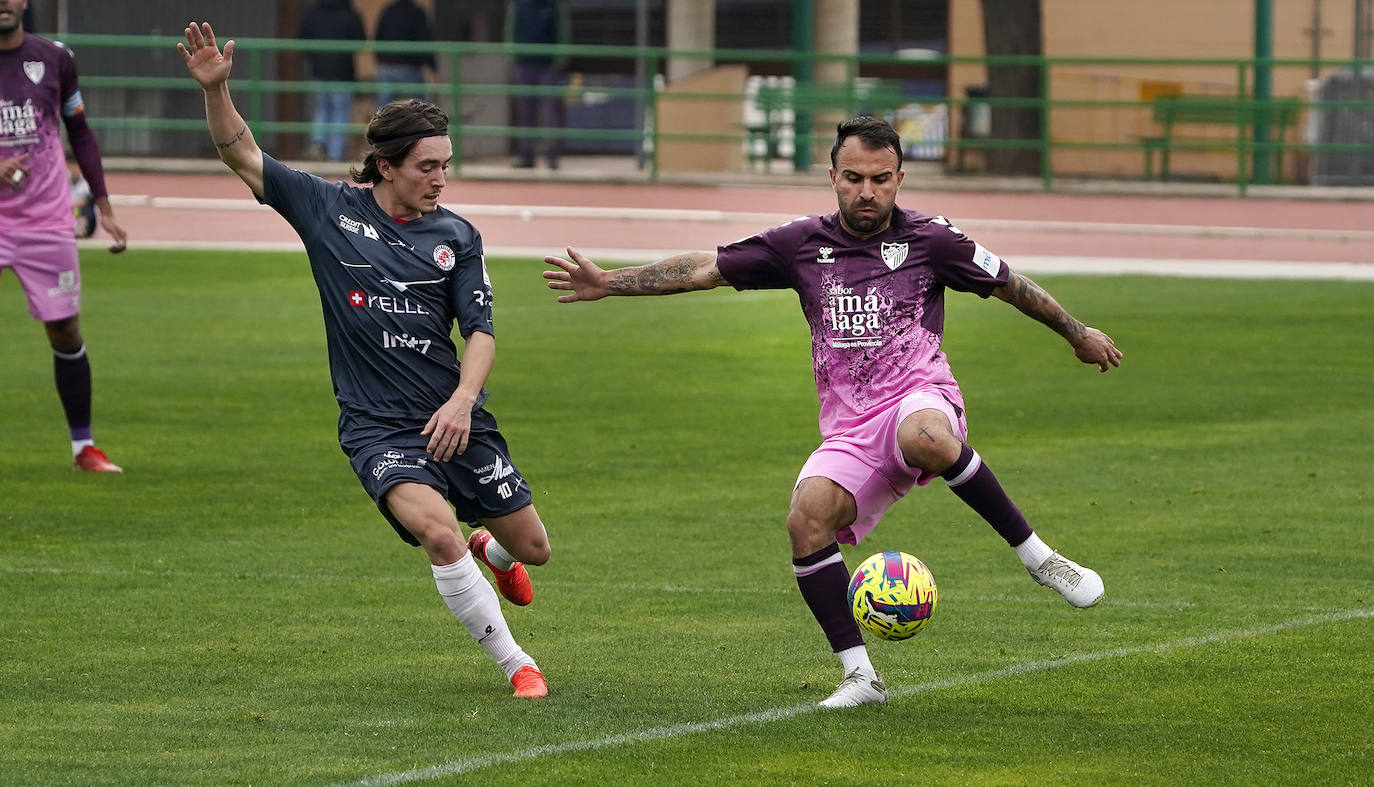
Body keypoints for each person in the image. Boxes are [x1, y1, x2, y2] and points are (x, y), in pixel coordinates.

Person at [544, 116, 1122, 709]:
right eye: (852, 178)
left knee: (926, 435)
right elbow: (706, 268)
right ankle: (861, 677)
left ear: (899, 178)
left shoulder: (933, 240)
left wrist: (1077, 333)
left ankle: (1041, 559)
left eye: (879, 179)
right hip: (852, 427)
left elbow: (1009, 284)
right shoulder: (800, 244)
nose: (866, 192)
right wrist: (609, 282)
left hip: (920, 397)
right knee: (806, 520)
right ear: (832, 177)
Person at [179, 21, 551, 698]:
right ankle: (517, 663)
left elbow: (482, 331)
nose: (441, 178)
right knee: (438, 533)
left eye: (445, 164)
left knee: (533, 548)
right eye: (427, 166)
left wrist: (463, 400)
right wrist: (217, 90)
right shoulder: (327, 210)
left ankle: (490, 551)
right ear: (387, 166)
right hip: (376, 425)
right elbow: (243, 153)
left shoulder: (458, 235)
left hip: (453, 417)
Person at [0, 0, 129, 473]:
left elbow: (80, 131)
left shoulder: (56, 58)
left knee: (65, 328)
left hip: (46, 221)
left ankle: (83, 448)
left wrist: (104, 205)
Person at [298, 0, 365, 162]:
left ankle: (318, 144)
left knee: (322, 108)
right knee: (340, 112)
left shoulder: (314, 12)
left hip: (319, 70)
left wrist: (316, 58)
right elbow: (360, 40)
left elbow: (302, 38)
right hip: (343, 71)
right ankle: (335, 155)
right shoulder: (350, 13)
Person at [505, 0, 568, 169]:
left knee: (550, 112)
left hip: (548, 64)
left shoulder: (554, 5)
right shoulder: (518, 4)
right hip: (523, 63)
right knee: (525, 112)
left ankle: (552, 157)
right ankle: (526, 156)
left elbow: (562, 31)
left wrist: (559, 59)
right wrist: (513, 56)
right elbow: (511, 30)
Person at [373, 0, 436, 108]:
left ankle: (382, 123)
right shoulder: (417, 12)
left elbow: (378, 37)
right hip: (410, 67)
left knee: (383, 110)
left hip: (387, 66)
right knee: (420, 108)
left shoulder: (388, 11)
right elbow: (424, 41)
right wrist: (432, 67)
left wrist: (380, 60)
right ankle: (420, 122)